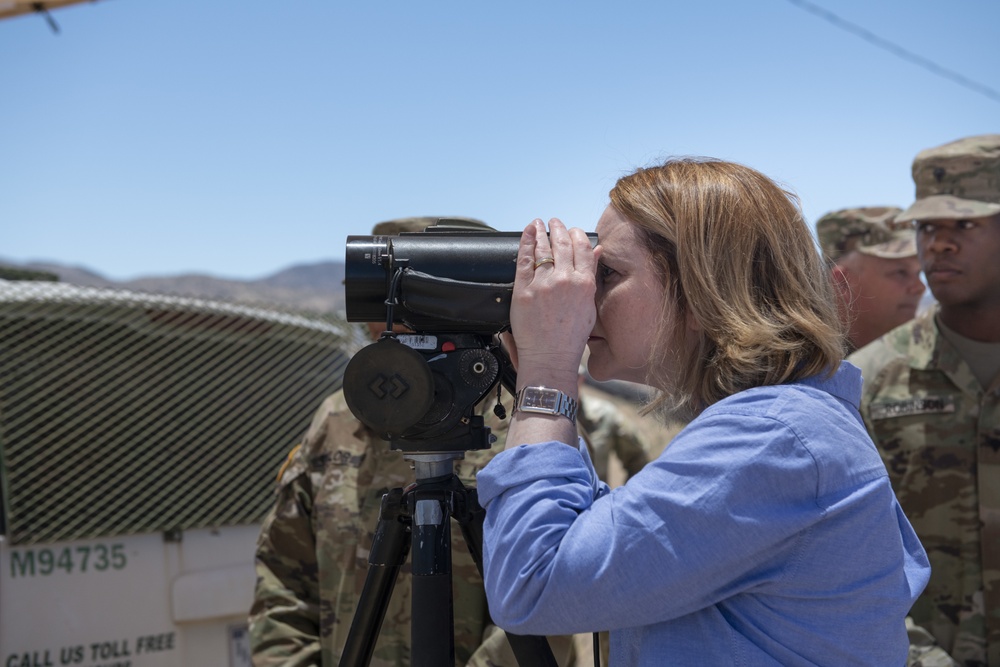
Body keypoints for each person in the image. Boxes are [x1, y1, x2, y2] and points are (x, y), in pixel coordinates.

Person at [476, 157, 930, 666]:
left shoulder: (773, 437)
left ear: (699, 293)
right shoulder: (785, 426)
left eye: (607, 272)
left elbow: (533, 581)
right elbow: (603, 546)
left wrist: (546, 374)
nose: (583, 291)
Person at [248, 217, 576, 667]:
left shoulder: (529, 429)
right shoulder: (337, 420)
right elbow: (281, 577)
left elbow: (551, 595)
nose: (406, 336)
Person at [848, 133, 1000, 666]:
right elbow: (851, 558)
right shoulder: (867, 381)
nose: (938, 243)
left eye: (964, 224)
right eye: (926, 227)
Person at [815, 206, 926, 352]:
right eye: (900, 272)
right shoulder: (807, 367)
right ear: (842, 283)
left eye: (918, 273)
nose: (920, 287)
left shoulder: (923, 354)